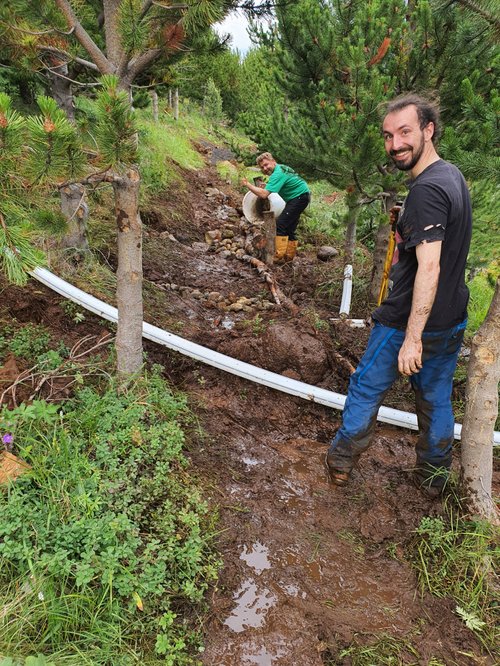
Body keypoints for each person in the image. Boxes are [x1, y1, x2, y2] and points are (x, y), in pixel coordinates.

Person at [326, 94, 472, 498]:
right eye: (388, 136)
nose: (394, 144)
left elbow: (430, 267)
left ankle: (340, 463)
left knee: (367, 388)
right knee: (436, 399)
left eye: (404, 132)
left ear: (428, 129)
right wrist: (405, 226)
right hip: (450, 319)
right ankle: (434, 479)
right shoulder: (452, 177)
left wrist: (411, 338)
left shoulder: (426, 192)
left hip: (407, 321)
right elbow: (438, 241)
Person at [242, 152, 310, 262]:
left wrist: (248, 185)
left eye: (266, 164)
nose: (265, 168)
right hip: (300, 197)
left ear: (273, 162)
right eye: (262, 167)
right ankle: (288, 257)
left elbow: (264, 194)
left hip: (298, 198)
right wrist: (267, 186)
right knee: (290, 228)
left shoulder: (278, 173)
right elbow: (280, 184)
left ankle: (278, 258)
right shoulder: (281, 168)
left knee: (281, 225)